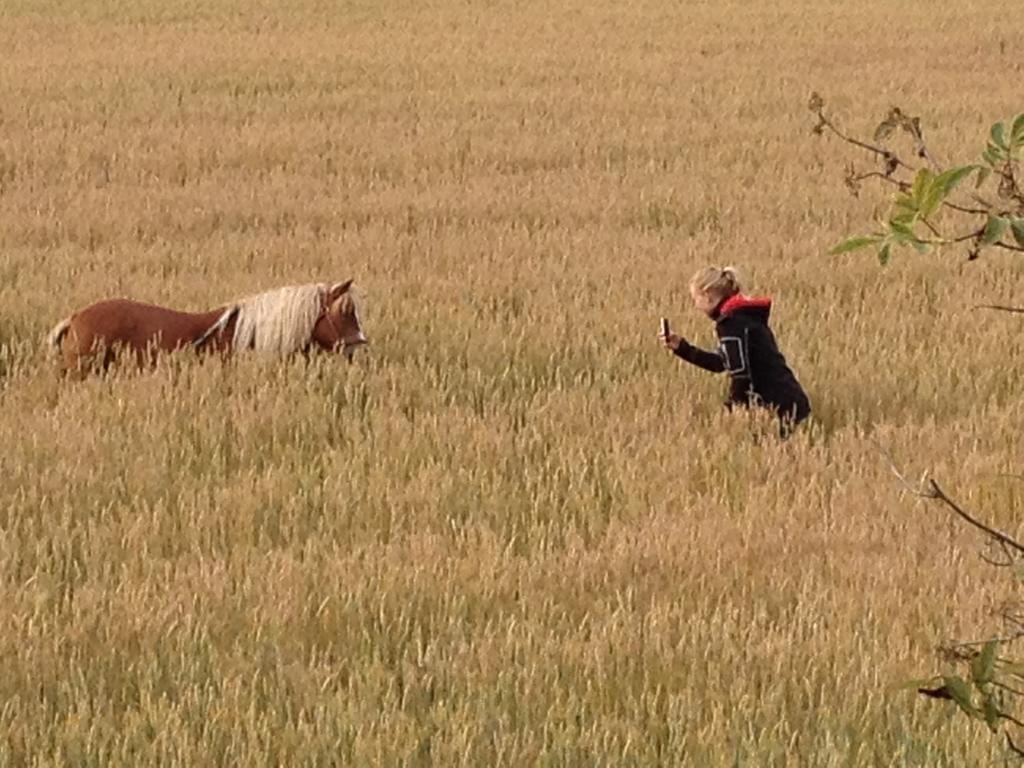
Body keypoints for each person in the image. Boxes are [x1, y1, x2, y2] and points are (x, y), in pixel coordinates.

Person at [659, 266, 810, 437]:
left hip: (779, 410)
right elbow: (722, 363)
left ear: (707, 294)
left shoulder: (731, 324)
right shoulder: (743, 317)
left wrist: (732, 412)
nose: (696, 306)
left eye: (696, 299)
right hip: (791, 401)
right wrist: (682, 348)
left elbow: (740, 374)